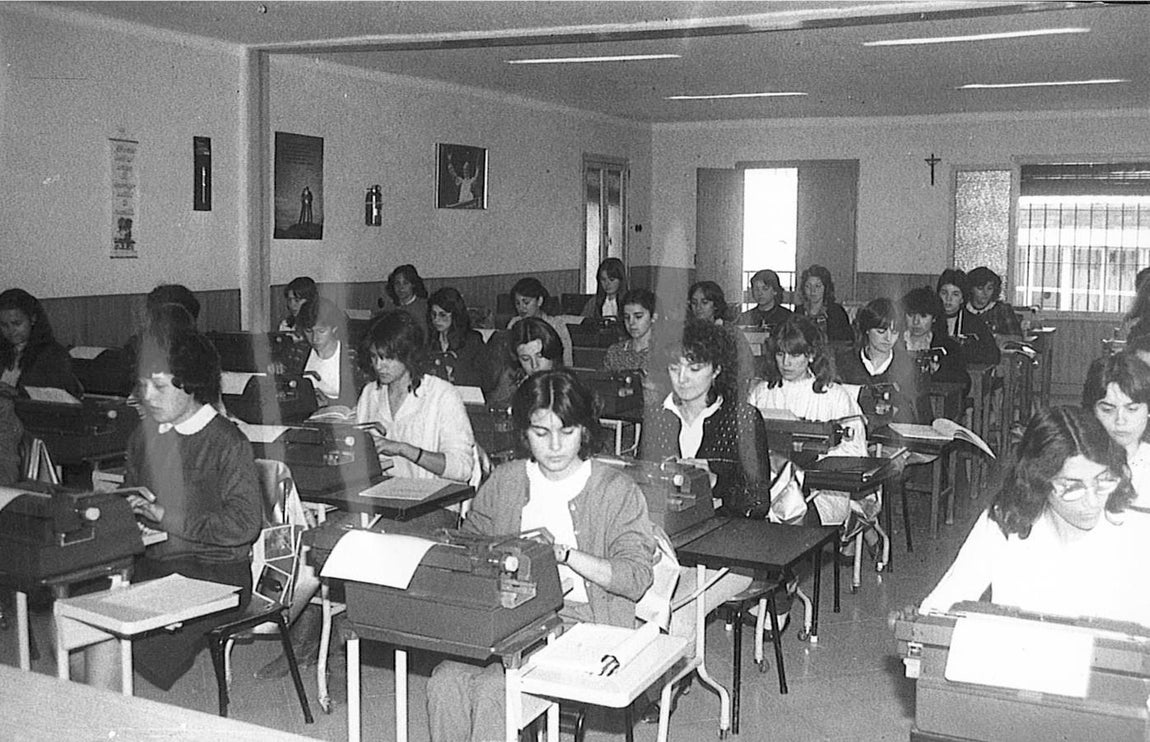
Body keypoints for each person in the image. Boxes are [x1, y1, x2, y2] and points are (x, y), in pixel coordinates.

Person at [425, 369, 656, 742]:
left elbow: (635, 579)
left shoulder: (616, 490)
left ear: (584, 430)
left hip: (581, 623)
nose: (554, 446)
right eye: (540, 432)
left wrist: (563, 555)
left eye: (567, 432)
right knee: (444, 682)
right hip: (507, 620)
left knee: (494, 692)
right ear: (524, 433)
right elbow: (469, 549)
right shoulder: (505, 481)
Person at [119, 329, 262, 690]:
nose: (147, 397)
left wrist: (166, 518)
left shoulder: (227, 442)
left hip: (217, 571)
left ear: (191, 384)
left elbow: (243, 526)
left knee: (127, 633)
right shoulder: (143, 436)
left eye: (159, 387)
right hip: (158, 562)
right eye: (142, 387)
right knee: (92, 621)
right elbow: (130, 497)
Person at [916, 406, 1150, 626]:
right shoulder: (1005, 523)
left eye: (1103, 481)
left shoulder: (1137, 533)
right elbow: (942, 606)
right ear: (1040, 481)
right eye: (1071, 487)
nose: (1092, 501)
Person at [748, 315, 870, 529]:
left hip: (820, 491)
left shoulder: (834, 396)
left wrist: (804, 466)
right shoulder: (761, 393)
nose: (786, 363)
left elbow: (854, 451)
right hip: (767, 486)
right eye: (780, 354)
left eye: (795, 355)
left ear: (811, 355)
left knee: (791, 513)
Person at [356, 311, 474, 481]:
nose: (379, 366)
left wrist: (404, 449)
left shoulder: (442, 395)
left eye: (387, 358)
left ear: (408, 353)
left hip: (431, 499)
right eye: (374, 357)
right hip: (382, 496)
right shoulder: (370, 393)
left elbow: (462, 469)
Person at [1082, 350, 1150, 509]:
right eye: (1107, 410)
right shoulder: (1078, 459)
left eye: (1132, 409)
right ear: (1092, 410)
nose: (1120, 420)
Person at [836, 298, 921, 422]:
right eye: (881, 331)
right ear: (867, 329)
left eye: (894, 332)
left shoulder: (908, 366)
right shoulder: (844, 362)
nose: (888, 338)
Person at [900, 286, 968, 422]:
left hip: (937, 407)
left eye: (923, 316)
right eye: (911, 315)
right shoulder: (895, 342)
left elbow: (964, 381)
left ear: (934, 318)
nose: (916, 322)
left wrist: (938, 371)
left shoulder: (948, 347)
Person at [0, 288, 83, 398]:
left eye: (17, 323)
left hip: (29, 413)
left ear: (33, 319)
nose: (11, 330)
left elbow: (61, 399)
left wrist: (18, 394)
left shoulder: (53, 354)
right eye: (4, 325)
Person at [687, 280, 757, 400]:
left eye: (705, 302)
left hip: (727, 390)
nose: (698, 307)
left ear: (715, 305)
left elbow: (747, 368)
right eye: (694, 303)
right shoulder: (687, 333)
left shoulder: (731, 332)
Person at [292, 297, 365, 409]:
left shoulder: (352, 356)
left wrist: (329, 403)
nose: (315, 338)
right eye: (309, 331)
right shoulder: (300, 351)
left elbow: (364, 399)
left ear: (334, 328)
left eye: (321, 331)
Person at [487, 316, 564, 410]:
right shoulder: (510, 385)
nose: (534, 366)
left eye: (539, 356)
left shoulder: (567, 390)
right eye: (526, 359)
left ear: (552, 353)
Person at [426, 286, 491, 391]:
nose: (436, 320)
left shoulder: (472, 341)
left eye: (443, 315)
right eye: (433, 314)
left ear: (455, 315)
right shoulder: (430, 341)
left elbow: (484, 378)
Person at [935, 268, 1000, 367]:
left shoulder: (975, 323)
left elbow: (994, 355)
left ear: (962, 298)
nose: (948, 299)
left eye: (955, 294)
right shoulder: (929, 319)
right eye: (944, 293)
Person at [507, 276, 573, 366]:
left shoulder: (556, 325)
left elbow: (567, 361)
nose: (521, 308)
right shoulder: (514, 324)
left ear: (539, 301)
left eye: (526, 302)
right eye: (517, 303)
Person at [793, 265, 852, 343]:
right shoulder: (799, 311)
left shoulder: (836, 312)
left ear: (826, 288)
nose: (812, 291)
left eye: (818, 286)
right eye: (808, 286)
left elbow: (845, 341)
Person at [965, 266, 1022, 336]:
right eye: (980, 288)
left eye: (989, 288)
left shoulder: (1003, 309)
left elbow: (1017, 337)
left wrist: (1001, 338)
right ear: (970, 289)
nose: (985, 293)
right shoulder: (962, 309)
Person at [382, 264, 430, 338]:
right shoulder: (389, 309)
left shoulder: (424, 307)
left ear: (413, 284)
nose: (401, 288)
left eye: (405, 283)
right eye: (397, 283)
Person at [581, 257, 628, 322]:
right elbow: (582, 322)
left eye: (611, 280)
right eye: (603, 280)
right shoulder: (593, 302)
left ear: (621, 280)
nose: (607, 284)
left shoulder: (629, 301)